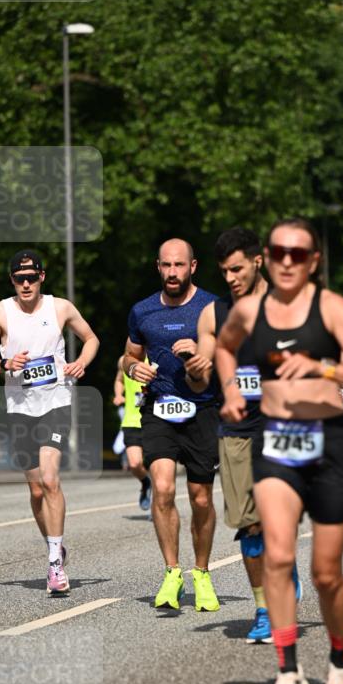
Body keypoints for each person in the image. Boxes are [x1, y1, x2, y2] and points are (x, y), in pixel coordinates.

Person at [216, 218, 343, 684]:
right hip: (277, 443)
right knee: (278, 557)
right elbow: (224, 348)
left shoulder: (328, 307)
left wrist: (323, 368)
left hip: (329, 443)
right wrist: (228, 390)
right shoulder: (248, 309)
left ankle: (338, 663)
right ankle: (288, 674)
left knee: (326, 573)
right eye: (280, 251)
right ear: (267, 256)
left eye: (299, 252)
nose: (289, 259)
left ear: (312, 261)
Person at [185, 227, 299, 644]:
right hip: (235, 430)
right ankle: (264, 610)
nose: (230, 278)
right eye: (224, 272)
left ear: (258, 261)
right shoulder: (213, 315)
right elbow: (201, 384)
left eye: (237, 269)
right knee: (250, 525)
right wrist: (196, 371)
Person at [0, 250, 99, 595]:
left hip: (56, 401)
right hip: (18, 407)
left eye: (31, 277)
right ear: (12, 280)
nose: (26, 283)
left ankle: (54, 565)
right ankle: (54, 544)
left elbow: (91, 339)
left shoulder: (59, 307)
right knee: (34, 489)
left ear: (42, 276)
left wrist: (80, 363)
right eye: (19, 278)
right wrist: (6, 364)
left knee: (50, 480)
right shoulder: (0, 312)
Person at [123, 239, 221, 612]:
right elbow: (128, 355)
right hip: (159, 408)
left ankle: (202, 573)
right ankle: (172, 572)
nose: (173, 273)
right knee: (162, 488)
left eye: (179, 265)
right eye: (166, 266)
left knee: (200, 498)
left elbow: (231, 355)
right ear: (158, 267)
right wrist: (133, 367)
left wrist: (200, 357)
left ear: (193, 266)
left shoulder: (212, 308)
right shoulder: (143, 310)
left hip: (203, 410)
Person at [113, 355, 151, 512]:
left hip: (153, 418)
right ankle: (146, 482)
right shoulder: (124, 360)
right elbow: (119, 380)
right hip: (132, 419)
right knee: (134, 464)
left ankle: (159, 505)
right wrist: (118, 395)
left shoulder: (158, 354)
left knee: (157, 465)